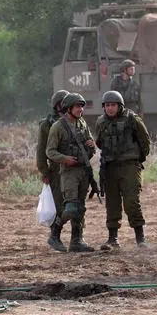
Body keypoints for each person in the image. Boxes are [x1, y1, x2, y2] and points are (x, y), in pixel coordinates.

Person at [94, 90, 150, 248]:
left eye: (113, 105)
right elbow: (99, 143)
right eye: (107, 105)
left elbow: (145, 141)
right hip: (110, 167)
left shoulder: (132, 119)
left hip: (130, 166)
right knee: (112, 203)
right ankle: (113, 239)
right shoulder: (101, 122)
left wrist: (137, 159)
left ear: (120, 106)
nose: (110, 108)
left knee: (132, 202)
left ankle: (140, 239)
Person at [45, 92, 97, 253]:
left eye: (81, 106)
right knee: (71, 208)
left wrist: (91, 145)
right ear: (68, 108)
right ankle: (55, 234)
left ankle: (77, 240)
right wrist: (65, 159)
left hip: (83, 170)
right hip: (68, 172)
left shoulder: (82, 123)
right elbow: (50, 151)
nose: (80, 109)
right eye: (77, 106)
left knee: (80, 208)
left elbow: (91, 147)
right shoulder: (58, 126)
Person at [37, 89, 69, 251]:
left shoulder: (75, 120)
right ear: (57, 105)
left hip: (74, 169)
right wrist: (44, 171)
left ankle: (78, 238)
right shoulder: (47, 124)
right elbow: (42, 150)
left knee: (75, 204)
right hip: (56, 170)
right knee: (58, 205)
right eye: (64, 103)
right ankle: (55, 236)